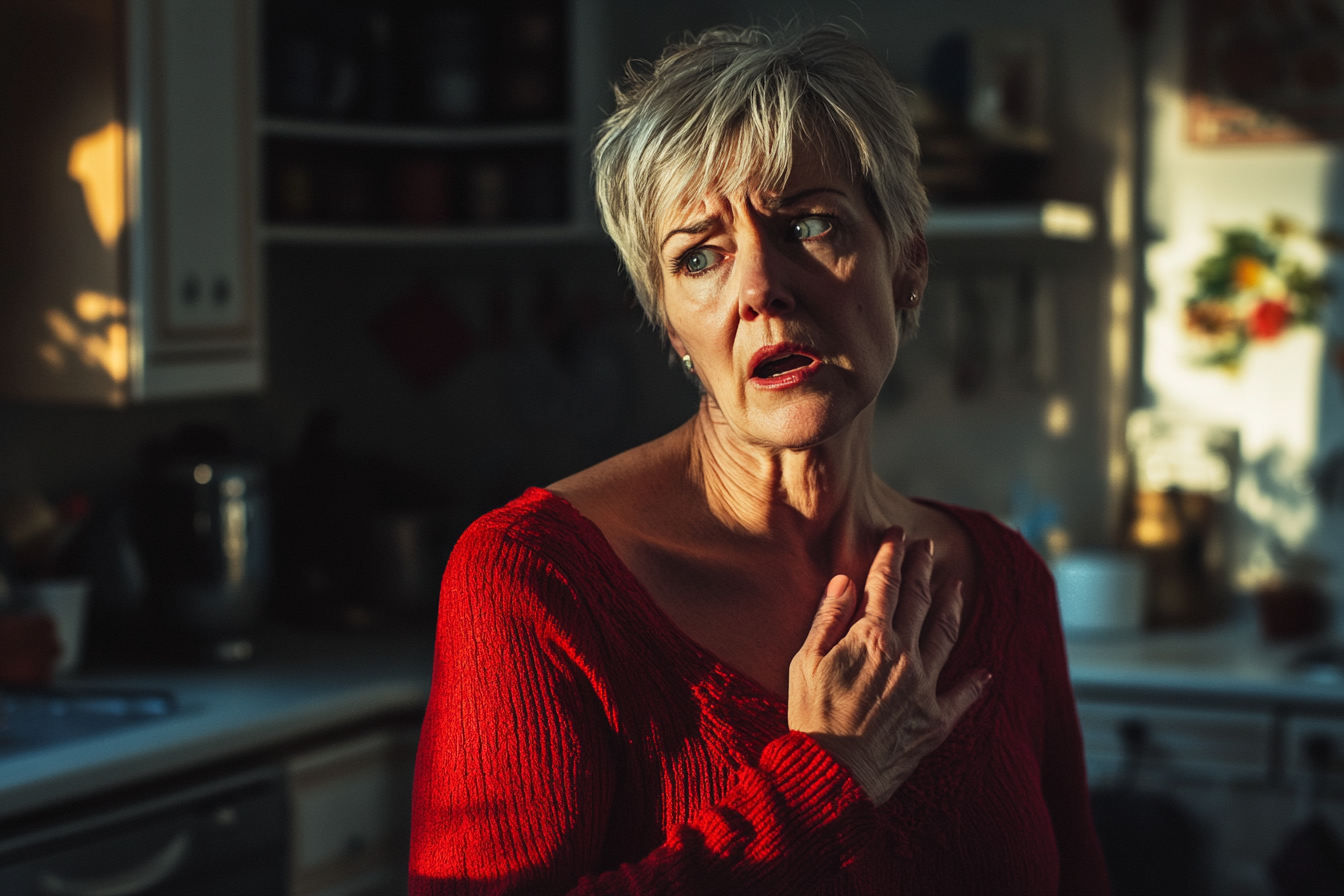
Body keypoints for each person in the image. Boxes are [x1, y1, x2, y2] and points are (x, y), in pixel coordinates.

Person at [410, 24, 1109, 895]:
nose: (756, 289)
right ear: (673, 327)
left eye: (808, 223)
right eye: (699, 255)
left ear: (907, 269)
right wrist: (827, 779)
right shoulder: (531, 581)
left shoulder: (1006, 580)